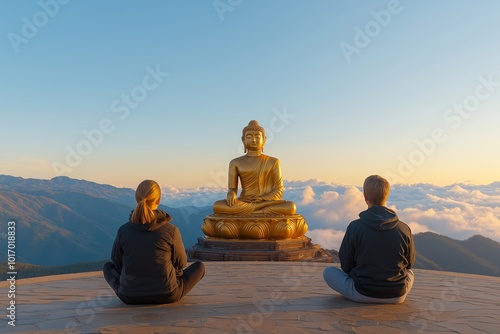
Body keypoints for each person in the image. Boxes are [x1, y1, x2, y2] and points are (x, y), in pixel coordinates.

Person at [103, 180, 205, 304]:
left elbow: (117, 263)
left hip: (129, 296)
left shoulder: (123, 230)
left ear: (137, 199)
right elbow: (181, 263)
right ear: (158, 200)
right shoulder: (171, 230)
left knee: (108, 267)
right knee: (200, 267)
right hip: (167, 294)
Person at [323, 175, 415, 304]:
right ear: (386, 196)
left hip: (362, 292)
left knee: (328, 272)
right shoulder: (404, 228)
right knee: (410, 273)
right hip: (397, 295)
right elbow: (409, 264)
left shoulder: (355, 227)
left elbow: (346, 265)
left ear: (365, 196)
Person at [212, 120, 296, 215]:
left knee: (291, 206)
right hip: (245, 201)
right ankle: (258, 211)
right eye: (249, 137)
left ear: (264, 139)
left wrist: (261, 199)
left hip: (266, 202)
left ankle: (253, 211)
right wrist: (231, 193)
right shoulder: (235, 162)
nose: (253, 140)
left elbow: (279, 189)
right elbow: (232, 188)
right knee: (217, 206)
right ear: (243, 140)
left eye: (257, 136)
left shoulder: (273, 162)